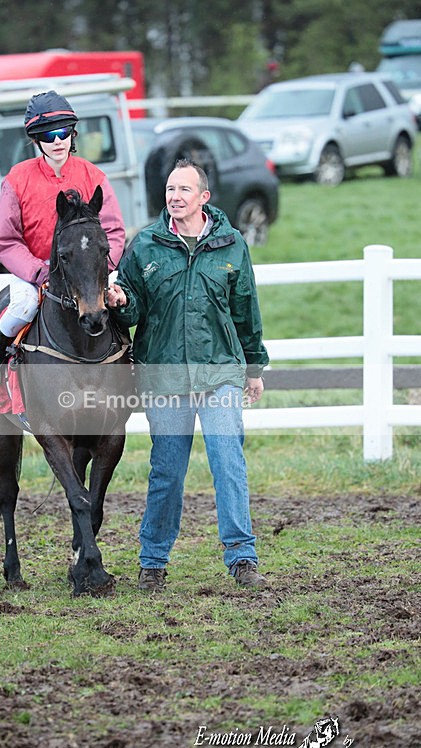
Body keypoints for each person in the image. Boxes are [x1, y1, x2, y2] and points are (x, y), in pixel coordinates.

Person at [106, 159, 269, 592]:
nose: (174, 196)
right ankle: (153, 561)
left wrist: (253, 368)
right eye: (170, 189)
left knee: (228, 464)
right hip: (165, 379)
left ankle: (242, 558)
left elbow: (245, 312)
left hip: (220, 374)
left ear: (204, 197)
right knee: (167, 471)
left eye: (184, 189)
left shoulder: (231, 245)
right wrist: (122, 300)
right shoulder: (145, 246)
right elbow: (134, 309)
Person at [0, 90, 126, 404]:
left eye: (63, 133)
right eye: (48, 135)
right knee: (23, 307)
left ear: (72, 134)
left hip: (89, 269)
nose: (58, 141)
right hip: (35, 270)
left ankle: (131, 360)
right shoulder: (17, 180)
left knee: (117, 303)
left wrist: (100, 270)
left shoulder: (94, 176)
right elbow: (7, 241)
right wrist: (37, 270)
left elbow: (113, 231)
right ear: (36, 140)